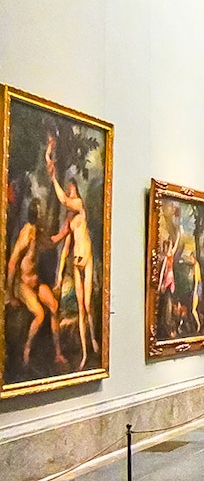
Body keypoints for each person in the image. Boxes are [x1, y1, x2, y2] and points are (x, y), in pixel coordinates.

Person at [46, 140, 99, 370]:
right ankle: (86, 354)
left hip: (86, 261)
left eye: (71, 189)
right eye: (68, 190)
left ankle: (94, 338)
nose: (70, 193)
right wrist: (58, 277)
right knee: (79, 308)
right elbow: (64, 247)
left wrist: (54, 180)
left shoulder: (80, 208)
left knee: (87, 306)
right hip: (76, 264)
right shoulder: (70, 222)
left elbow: (64, 200)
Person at [7, 200, 66, 367]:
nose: (44, 215)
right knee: (39, 314)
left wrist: (64, 231)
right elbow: (12, 264)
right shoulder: (26, 234)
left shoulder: (37, 232)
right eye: (41, 213)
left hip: (35, 282)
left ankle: (58, 354)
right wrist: (11, 294)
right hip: (23, 285)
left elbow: (50, 243)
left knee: (54, 305)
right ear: (36, 215)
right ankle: (26, 351)